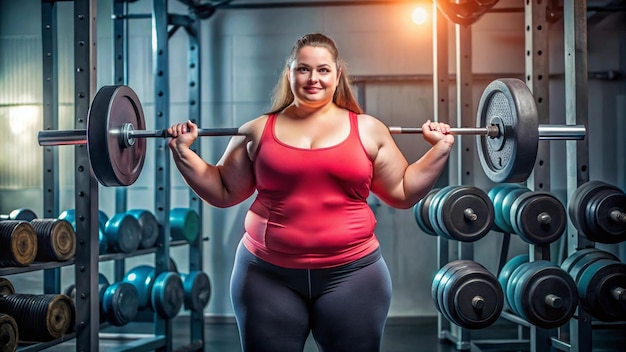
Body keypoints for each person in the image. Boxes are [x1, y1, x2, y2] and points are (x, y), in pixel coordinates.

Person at [168, 33, 454, 352]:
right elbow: (222, 191)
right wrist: (183, 152)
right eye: (303, 69)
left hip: (353, 274)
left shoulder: (369, 129)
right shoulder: (257, 130)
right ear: (289, 73)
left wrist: (440, 149)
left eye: (323, 70)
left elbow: (402, 192)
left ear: (337, 74)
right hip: (265, 275)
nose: (313, 78)